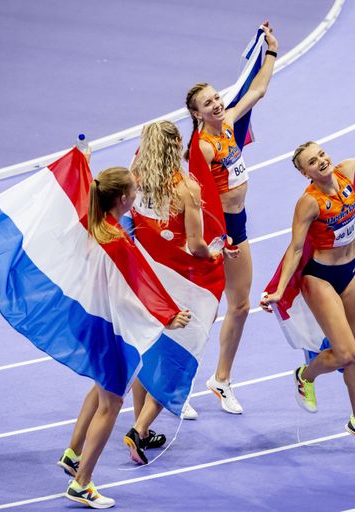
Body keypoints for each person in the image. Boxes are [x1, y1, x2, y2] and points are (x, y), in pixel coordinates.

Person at [260, 106, 355, 455]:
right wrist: (279, 291)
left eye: (322, 154)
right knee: (342, 352)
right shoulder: (308, 203)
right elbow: (295, 249)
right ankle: (305, 376)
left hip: (350, 271)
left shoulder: (345, 172)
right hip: (320, 277)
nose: (322, 161)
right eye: (313, 161)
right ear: (305, 173)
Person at [58, 166, 191, 508]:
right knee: (112, 403)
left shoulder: (91, 222)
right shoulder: (116, 240)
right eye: (134, 190)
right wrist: (167, 317)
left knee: (100, 387)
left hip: (85, 318)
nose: (137, 193)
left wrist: (83, 160)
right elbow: (136, 287)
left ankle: (73, 453)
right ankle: (82, 483)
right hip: (103, 325)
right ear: (122, 199)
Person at [122, 120, 234, 464]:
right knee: (179, 354)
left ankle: (139, 424)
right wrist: (217, 253)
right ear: (177, 146)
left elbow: (129, 223)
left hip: (147, 277)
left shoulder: (134, 178)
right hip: (185, 281)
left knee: (150, 348)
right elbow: (197, 245)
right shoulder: (186, 188)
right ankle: (139, 429)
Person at [182, 21, 278, 416]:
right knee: (201, 311)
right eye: (208, 104)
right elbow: (193, 196)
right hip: (214, 232)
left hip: (238, 227)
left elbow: (258, 89)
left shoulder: (230, 124)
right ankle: (178, 387)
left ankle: (220, 380)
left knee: (240, 306)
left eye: (216, 98)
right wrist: (206, 241)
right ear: (196, 113)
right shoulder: (201, 146)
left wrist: (271, 51)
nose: (217, 104)